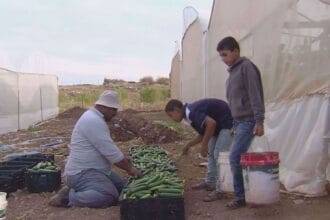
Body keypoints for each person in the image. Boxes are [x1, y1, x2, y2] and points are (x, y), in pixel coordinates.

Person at [49, 90, 142, 208]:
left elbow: (107, 148)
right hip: (83, 172)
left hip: (97, 170)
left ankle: (77, 188)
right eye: (113, 110)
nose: (115, 113)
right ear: (104, 107)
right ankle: (67, 197)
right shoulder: (93, 120)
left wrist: (124, 160)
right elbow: (111, 153)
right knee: (108, 196)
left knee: (122, 189)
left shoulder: (95, 118)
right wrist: (130, 168)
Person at [217, 36, 265, 209]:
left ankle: (240, 197)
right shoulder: (233, 71)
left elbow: (255, 95)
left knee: (235, 157)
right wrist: (234, 124)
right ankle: (248, 191)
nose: (223, 59)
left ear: (236, 51)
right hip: (239, 122)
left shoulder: (246, 68)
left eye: (225, 54)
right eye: (221, 56)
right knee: (237, 157)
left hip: (249, 120)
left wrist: (259, 121)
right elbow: (235, 100)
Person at [165, 99, 233, 202]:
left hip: (227, 123)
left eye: (171, 115)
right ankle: (211, 182)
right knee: (212, 153)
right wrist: (188, 145)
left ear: (176, 110)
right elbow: (203, 133)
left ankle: (221, 190)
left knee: (218, 154)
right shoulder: (188, 114)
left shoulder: (191, 113)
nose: (172, 119)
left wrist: (204, 145)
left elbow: (211, 124)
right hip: (218, 125)